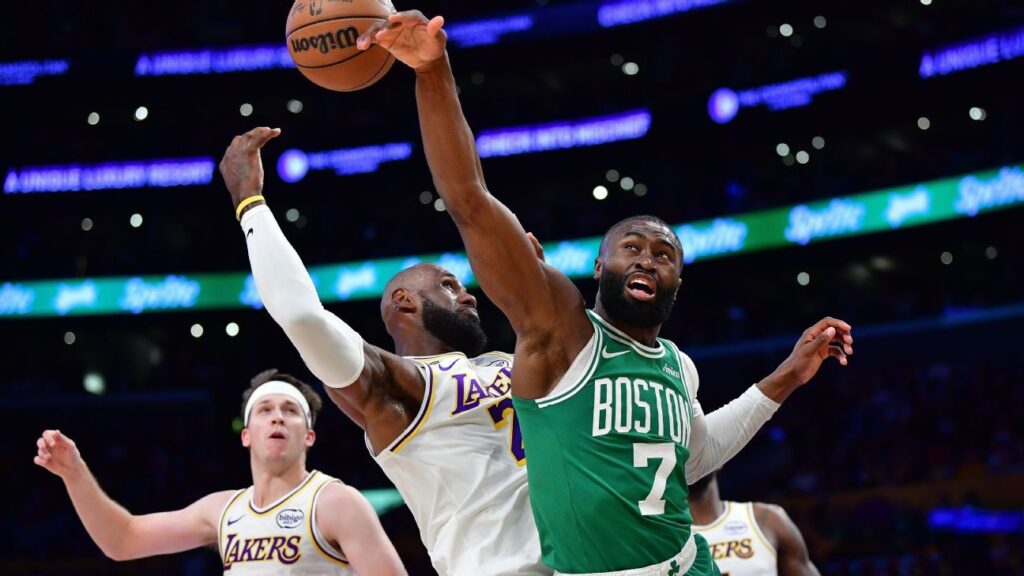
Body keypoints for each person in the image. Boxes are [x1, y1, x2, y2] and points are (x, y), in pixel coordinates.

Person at [357, 11, 854, 575]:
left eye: (664, 255)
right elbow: (469, 199)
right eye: (632, 248)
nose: (648, 258)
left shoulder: (676, 366)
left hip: (689, 564)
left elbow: (695, 457)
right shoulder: (561, 330)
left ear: (678, 282)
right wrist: (432, 71)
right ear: (598, 267)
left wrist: (789, 373)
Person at [220, 130, 551, 575]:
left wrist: (545, 289)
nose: (469, 297)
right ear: (403, 302)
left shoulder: (511, 363)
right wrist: (249, 201)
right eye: (449, 287)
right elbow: (301, 315)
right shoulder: (403, 389)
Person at [33, 369, 406, 575]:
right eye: (265, 410)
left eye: (290, 410)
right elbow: (123, 540)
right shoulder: (222, 510)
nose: (277, 415)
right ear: (246, 435)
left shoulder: (336, 503)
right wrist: (74, 473)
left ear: (308, 436)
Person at [689, 472, 820, 576]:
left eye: (700, 450)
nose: (694, 459)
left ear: (721, 459)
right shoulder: (668, 538)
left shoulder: (769, 520)